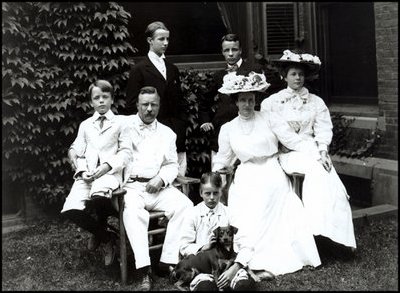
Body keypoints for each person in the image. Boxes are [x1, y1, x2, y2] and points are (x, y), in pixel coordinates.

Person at [211, 71, 322, 283]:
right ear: (236, 102)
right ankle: (248, 258)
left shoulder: (269, 118)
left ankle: (267, 259)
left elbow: (292, 140)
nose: (247, 104)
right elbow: (223, 159)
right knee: (244, 203)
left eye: (251, 100)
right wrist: (217, 173)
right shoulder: (228, 129)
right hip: (247, 172)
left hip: (271, 169)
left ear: (256, 100)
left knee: (268, 196)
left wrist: (317, 153)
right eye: (242, 100)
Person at [260, 49, 357, 254]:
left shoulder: (316, 102)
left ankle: (336, 236)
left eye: (301, 74)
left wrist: (323, 151)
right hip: (289, 153)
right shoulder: (271, 103)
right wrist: (315, 155)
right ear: (284, 76)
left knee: (331, 179)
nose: (298, 78)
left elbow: (323, 129)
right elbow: (285, 136)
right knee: (316, 171)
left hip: (314, 152)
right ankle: (316, 234)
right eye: (293, 73)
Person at [121, 86, 193, 291]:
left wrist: (161, 179)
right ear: (137, 105)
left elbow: (171, 164)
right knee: (134, 213)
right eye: (145, 104)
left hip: (158, 187)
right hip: (132, 187)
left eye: (153, 104)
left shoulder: (167, 133)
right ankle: (145, 270)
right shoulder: (124, 127)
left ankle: (166, 261)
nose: (149, 109)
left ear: (159, 106)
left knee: (186, 206)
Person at [61, 79, 132, 266]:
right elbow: (76, 148)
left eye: (105, 97)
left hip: (109, 174)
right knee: (70, 209)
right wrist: (78, 166)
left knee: (99, 196)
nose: (101, 101)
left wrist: (107, 166)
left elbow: (126, 153)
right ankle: (105, 236)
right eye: (96, 98)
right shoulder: (85, 125)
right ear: (91, 102)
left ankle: (103, 234)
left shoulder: (120, 123)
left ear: (112, 99)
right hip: (87, 175)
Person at [198, 33, 284, 166]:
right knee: (221, 169)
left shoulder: (255, 70)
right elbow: (204, 100)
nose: (231, 54)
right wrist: (205, 121)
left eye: (234, 49)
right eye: (227, 50)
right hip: (224, 128)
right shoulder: (218, 75)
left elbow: (275, 90)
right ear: (222, 52)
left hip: (251, 127)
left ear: (241, 50)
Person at [124, 21, 188, 177]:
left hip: (174, 133)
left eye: (167, 39)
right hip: (149, 136)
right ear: (150, 41)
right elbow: (132, 104)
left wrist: (180, 127)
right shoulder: (139, 69)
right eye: (161, 39)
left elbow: (179, 103)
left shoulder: (173, 69)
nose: (165, 43)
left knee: (177, 176)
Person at [178, 172, 255, 291]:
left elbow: (247, 244)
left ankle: (235, 281)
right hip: (204, 268)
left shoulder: (230, 213)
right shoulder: (192, 214)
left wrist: (235, 268)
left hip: (229, 265)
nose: (212, 198)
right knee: (206, 288)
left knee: (245, 287)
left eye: (216, 193)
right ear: (201, 193)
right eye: (207, 193)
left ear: (221, 191)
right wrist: (204, 247)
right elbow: (184, 246)